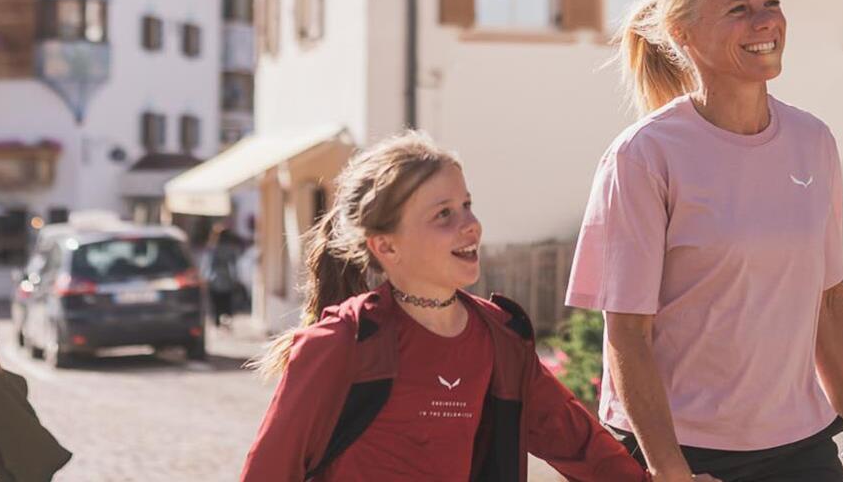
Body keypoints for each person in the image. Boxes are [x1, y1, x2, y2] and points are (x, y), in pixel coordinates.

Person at [566, 0, 843, 482]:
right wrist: (669, 469)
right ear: (683, 32)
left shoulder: (813, 142)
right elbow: (627, 332)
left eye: (771, 2)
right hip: (684, 451)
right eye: (738, 9)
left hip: (800, 444)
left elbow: (829, 302)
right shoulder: (643, 156)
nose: (765, 22)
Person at [242, 133, 649, 482]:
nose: (470, 224)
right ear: (386, 246)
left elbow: (580, 444)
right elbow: (267, 471)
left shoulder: (501, 339)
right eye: (443, 214)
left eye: (467, 205)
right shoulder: (340, 342)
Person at [205, 221, 249, 328]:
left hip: (215, 278)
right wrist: (236, 278)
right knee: (227, 300)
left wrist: (207, 278)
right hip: (227, 279)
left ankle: (217, 320)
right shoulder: (231, 249)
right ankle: (227, 319)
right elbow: (234, 266)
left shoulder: (213, 248)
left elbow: (209, 264)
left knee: (217, 301)